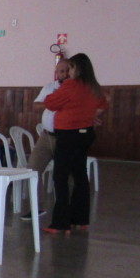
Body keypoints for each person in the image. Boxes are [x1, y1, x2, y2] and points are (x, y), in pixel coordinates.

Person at [42, 53, 109, 234]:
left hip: (68, 135)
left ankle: (60, 223)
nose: (68, 72)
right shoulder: (94, 86)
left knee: (60, 176)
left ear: (77, 69)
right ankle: (80, 219)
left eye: (70, 68)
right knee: (80, 175)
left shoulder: (71, 85)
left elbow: (50, 103)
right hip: (85, 134)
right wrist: (91, 115)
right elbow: (104, 103)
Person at [22, 57, 70, 220]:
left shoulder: (76, 89)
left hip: (66, 137)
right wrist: (53, 102)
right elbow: (36, 106)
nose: (65, 74)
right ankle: (37, 207)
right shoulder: (50, 87)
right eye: (61, 71)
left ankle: (64, 212)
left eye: (67, 71)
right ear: (57, 73)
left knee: (62, 175)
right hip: (46, 136)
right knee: (32, 168)